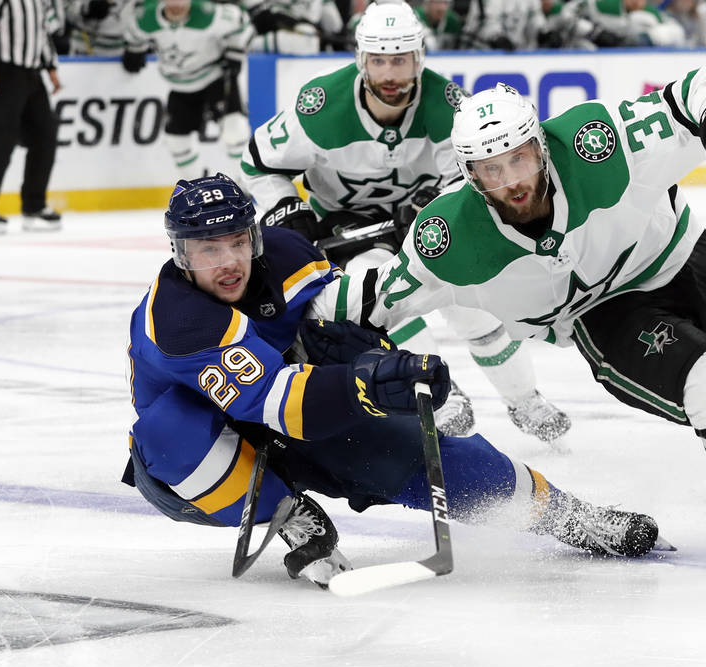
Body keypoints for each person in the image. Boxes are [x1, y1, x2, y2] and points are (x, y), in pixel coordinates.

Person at [307, 74, 706, 573]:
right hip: (605, 316)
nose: (512, 181)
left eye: (521, 159)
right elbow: (354, 305)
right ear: (469, 175)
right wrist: (288, 296)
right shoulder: (447, 240)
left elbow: (693, 92)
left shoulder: (595, 140)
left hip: (686, 255)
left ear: (540, 143)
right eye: (491, 170)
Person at [123, 173, 664, 586]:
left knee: (428, 453)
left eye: (237, 242)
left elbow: (348, 323)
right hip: (213, 455)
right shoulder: (177, 321)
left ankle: (566, 516)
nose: (228, 261)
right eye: (207, 250)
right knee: (167, 431)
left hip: (299, 421)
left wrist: (384, 362)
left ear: (255, 238)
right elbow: (272, 401)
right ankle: (286, 513)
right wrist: (366, 384)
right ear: (181, 255)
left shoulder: (287, 255)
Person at [239, 0, 571, 442]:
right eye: (379, 61)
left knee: (473, 310)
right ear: (362, 60)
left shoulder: (450, 106)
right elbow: (258, 163)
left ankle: (525, 399)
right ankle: (441, 392)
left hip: (430, 224)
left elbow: (474, 176)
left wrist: (438, 201)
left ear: (419, 57)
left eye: (400, 59)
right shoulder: (318, 109)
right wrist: (287, 209)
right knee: (384, 299)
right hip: (347, 230)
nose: (390, 74)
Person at [122, 0, 252, 183]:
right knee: (176, 142)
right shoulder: (146, 18)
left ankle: (246, 183)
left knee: (235, 129)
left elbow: (242, 22)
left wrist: (235, 51)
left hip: (214, 77)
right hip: (180, 86)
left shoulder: (209, 13)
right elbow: (133, 33)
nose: (177, 5)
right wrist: (135, 49)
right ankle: (199, 189)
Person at [0, 0, 64, 234]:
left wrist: (50, 67)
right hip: (3, 71)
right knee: (0, 142)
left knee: (45, 137)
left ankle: (34, 206)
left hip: (32, 74)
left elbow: (41, 32)